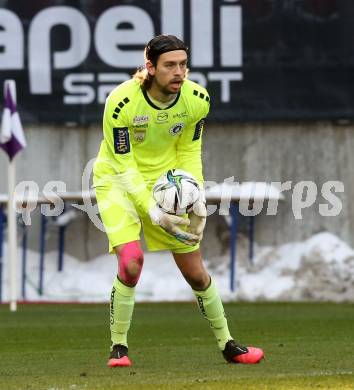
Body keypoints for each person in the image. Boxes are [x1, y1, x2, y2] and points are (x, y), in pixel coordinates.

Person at [93, 35, 264, 367]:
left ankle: (229, 344)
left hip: (167, 184)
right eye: (169, 65)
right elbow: (125, 166)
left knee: (196, 274)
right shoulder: (121, 103)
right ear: (150, 67)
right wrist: (154, 212)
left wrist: (195, 195)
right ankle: (119, 347)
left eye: (183, 64)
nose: (179, 72)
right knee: (131, 263)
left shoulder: (197, 99)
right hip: (116, 180)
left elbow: (189, 151)